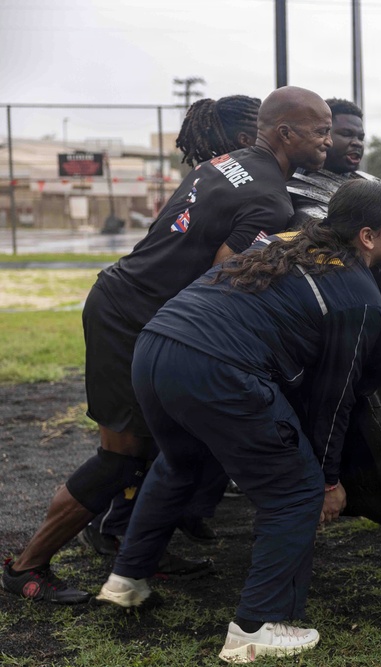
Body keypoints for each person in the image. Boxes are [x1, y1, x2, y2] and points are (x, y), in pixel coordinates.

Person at [2, 85, 334, 604]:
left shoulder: (226, 163)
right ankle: (27, 566)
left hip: (132, 303)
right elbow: (223, 281)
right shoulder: (270, 199)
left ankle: (131, 545)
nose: (327, 142)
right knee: (122, 456)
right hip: (129, 317)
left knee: (171, 446)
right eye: (321, 131)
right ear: (286, 133)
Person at [95, 179, 381, 664]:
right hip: (216, 368)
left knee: (181, 462)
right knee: (295, 490)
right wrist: (328, 479)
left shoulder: (287, 239)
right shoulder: (360, 295)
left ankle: (127, 578)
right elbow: (335, 397)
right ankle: (258, 627)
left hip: (157, 345)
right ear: (367, 237)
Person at [80, 95, 264, 556]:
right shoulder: (243, 184)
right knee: (129, 446)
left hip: (145, 310)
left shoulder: (217, 172)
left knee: (169, 431)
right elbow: (222, 273)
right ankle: (108, 532)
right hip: (127, 314)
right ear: (247, 138)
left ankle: (152, 524)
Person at [287, 98, 368, 224]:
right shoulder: (293, 189)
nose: (357, 143)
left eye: (360, 137)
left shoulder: (368, 186)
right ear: (322, 134)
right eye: (346, 134)